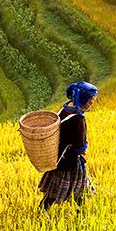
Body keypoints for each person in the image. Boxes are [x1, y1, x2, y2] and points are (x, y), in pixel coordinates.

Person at [39, 81, 98, 209]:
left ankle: (43, 208)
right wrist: (83, 150)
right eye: (90, 101)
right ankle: (81, 212)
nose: (91, 104)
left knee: (55, 187)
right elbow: (80, 144)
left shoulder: (64, 110)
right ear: (82, 100)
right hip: (71, 160)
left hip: (58, 156)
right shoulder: (78, 119)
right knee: (79, 187)